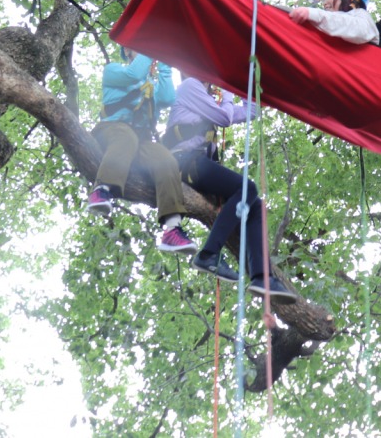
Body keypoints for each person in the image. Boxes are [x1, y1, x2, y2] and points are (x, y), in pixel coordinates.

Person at [164, 77, 297, 305]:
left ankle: (262, 277)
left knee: (255, 205)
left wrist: (243, 83)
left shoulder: (208, 102)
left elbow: (251, 111)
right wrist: (227, 91)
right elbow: (224, 118)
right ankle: (209, 254)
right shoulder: (190, 86)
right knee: (247, 188)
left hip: (197, 166)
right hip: (184, 161)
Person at [86, 47, 197, 255]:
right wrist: (149, 46)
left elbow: (167, 97)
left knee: (166, 159)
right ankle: (101, 190)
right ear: (128, 51)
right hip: (112, 130)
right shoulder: (113, 71)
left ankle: (172, 228)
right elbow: (134, 74)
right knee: (126, 138)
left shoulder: (151, 87)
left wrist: (164, 63)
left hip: (141, 141)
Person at [288, 0, 380, 46]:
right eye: (323, 0)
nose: (324, 3)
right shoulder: (330, 28)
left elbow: (358, 29)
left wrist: (313, 14)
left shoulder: (361, 15)